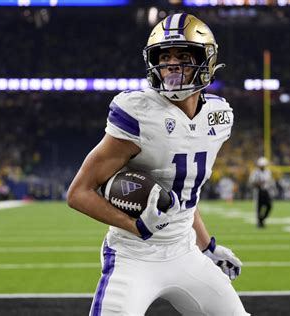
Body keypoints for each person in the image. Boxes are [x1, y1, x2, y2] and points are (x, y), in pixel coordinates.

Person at [67, 13, 250, 316]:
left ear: (206, 59)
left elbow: (184, 196)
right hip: (133, 255)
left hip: (185, 253)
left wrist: (209, 248)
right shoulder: (139, 112)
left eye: (183, 56)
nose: (172, 66)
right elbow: (79, 192)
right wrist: (135, 226)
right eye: (164, 57)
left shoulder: (218, 117)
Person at [248, 156, 274, 228]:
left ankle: (262, 219)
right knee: (258, 208)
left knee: (269, 206)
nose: (262, 166)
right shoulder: (255, 172)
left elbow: (269, 181)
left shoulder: (268, 171)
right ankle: (259, 223)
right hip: (258, 191)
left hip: (265, 191)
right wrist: (258, 183)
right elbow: (251, 182)